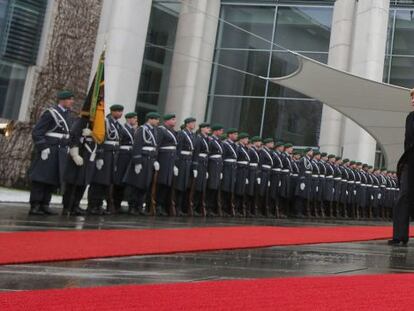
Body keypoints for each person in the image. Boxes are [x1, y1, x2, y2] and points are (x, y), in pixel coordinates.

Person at [29, 90, 74, 215]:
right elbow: (37, 132)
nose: (72, 101)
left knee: (52, 179)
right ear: (62, 100)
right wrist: (43, 147)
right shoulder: (51, 113)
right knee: (40, 179)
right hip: (49, 150)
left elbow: (66, 134)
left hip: (60, 152)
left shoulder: (68, 115)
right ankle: (35, 205)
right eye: (70, 99)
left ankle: (45, 204)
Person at [87, 104, 123, 215]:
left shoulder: (118, 125)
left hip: (112, 156)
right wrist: (100, 156)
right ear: (112, 111)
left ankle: (99, 205)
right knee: (98, 181)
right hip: (105, 155)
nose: (120, 113)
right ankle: (92, 205)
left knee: (106, 183)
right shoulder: (105, 122)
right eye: (118, 111)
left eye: (121, 111)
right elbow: (100, 139)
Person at [124, 112, 160, 215]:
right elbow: (137, 146)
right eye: (156, 119)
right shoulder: (142, 129)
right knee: (136, 184)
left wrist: (155, 159)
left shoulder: (154, 131)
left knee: (145, 184)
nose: (158, 121)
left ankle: (140, 207)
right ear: (150, 119)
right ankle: (132, 207)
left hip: (150, 160)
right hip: (142, 160)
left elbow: (155, 147)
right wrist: (137, 162)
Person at [390, 90, 414, 246]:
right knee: (403, 196)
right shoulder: (410, 117)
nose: (412, 100)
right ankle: (399, 236)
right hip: (410, 161)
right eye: (411, 97)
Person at [62, 115, 96, 216]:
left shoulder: (97, 123)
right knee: (72, 183)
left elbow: (101, 136)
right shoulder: (81, 121)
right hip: (79, 153)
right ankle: (67, 206)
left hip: (89, 155)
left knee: (83, 182)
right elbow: (73, 136)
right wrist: (75, 154)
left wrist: (92, 134)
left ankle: (75, 205)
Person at [113, 111, 137, 214]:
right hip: (122, 156)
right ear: (129, 119)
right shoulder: (123, 128)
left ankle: (119, 203)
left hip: (129, 157)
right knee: (118, 181)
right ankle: (115, 204)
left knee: (125, 181)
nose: (136, 120)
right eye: (134, 118)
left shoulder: (134, 130)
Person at [174, 117, 198, 216]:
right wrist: (176, 164)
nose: (194, 125)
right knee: (179, 185)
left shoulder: (192, 135)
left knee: (185, 185)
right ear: (187, 124)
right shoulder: (182, 133)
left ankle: (181, 208)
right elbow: (178, 149)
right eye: (192, 123)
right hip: (182, 161)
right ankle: (176, 207)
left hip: (188, 161)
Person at [156, 114, 178, 216]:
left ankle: (161, 205)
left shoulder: (173, 131)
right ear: (166, 121)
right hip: (163, 160)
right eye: (173, 119)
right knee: (160, 183)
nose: (175, 121)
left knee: (166, 184)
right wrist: (155, 160)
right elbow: (157, 145)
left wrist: (174, 164)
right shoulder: (161, 130)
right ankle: (156, 205)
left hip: (170, 161)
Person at [192, 123, 211, 216]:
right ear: (202, 129)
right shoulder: (199, 138)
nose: (209, 129)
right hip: (199, 163)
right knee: (198, 186)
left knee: (202, 187)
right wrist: (195, 166)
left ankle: (197, 207)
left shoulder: (207, 138)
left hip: (204, 164)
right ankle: (193, 207)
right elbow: (196, 153)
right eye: (207, 128)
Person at [206, 124, 224, 216]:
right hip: (212, 165)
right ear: (216, 131)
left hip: (218, 165)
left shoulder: (219, 141)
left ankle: (210, 207)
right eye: (220, 130)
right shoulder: (210, 140)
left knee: (215, 187)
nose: (222, 132)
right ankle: (207, 207)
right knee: (211, 186)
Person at [221, 128, 239, 216]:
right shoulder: (225, 144)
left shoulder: (235, 145)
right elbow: (222, 157)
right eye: (235, 134)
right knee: (225, 188)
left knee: (230, 189)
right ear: (230, 135)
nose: (236, 136)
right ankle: (222, 208)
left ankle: (227, 209)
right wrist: (221, 170)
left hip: (232, 168)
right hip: (227, 168)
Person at [234, 132, 250, 217]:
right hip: (240, 171)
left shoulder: (245, 148)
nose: (247, 140)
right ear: (241, 139)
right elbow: (236, 160)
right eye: (246, 139)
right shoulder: (238, 148)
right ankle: (235, 208)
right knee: (238, 190)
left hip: (244, 171)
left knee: (242, 190)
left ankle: (238, 208)